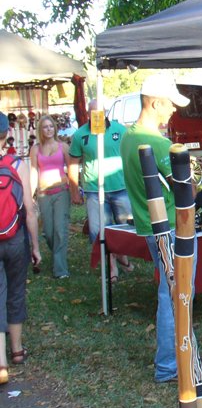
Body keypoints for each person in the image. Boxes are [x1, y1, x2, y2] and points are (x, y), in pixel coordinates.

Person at [120, 74, 195, 383]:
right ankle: (169, 364)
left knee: (171, 290)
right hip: (172, 226)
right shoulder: (158, 143)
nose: (172, 112)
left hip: (149, 225)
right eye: (170, 105)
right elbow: (187, 185)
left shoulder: (128, 137)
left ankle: (173, 359)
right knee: (176, 293)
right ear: (155, 103)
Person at [69, 99, 134, 282]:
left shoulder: (119, 130)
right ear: (88, 113)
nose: (97, 114)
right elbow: (73, 162)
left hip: (120, 188)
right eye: (93, 111)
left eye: (100, 111)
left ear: (106, 111)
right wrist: (75, 189)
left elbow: (132, 155)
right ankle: (111, 265)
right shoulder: (80, 135)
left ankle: (121, 255)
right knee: (100, 231)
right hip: (94, 191)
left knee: (124, 227)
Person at [0, 111, 41, 384]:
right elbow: (29, 210)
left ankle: (0, 362)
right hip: (15, 240)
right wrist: (35, 246)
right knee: (15, 291)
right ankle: (16, 351)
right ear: (6, 134)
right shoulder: (18, 164)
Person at [30, 115, 72, 279]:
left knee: (60, 229)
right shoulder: (35, 149)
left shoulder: (64, 147)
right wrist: (30, 194)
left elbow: (72, 169)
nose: (48, 129)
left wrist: (75, 191)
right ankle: (58, 256)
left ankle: (60, 270)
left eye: (51, 126)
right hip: (43, 194)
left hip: (61, 191)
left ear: (55, 128)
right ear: (41, 130)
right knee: (48, 232)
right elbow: (34, 173)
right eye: (45, 127)